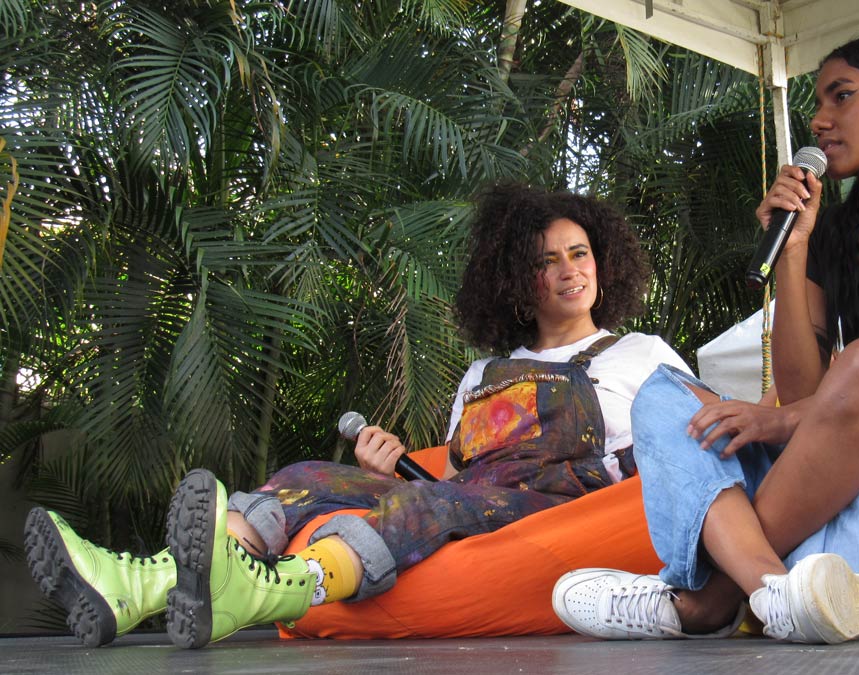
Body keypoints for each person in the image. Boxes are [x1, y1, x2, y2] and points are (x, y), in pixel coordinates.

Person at [24, 182, 690, 649]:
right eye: (547, 261)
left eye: (579, 253)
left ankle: (284, 588)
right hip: (476, 500)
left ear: (602, 260)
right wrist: (385, 471)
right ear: (518, 281)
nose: (570, 270)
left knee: (433, 505)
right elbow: (456, 475)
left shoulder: (642, 353)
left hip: (563, 509)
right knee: (308, 474)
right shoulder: (482, 375)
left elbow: (692, 445)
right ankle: (138, 586)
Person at [552, 34, 859, 644]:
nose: (819, 120)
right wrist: (794, 251)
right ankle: (775, 590)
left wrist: (787, 421)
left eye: (842, 96)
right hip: (850, 419)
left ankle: (710, 601)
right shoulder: (831, 230)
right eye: (818, 102)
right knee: (663, 399)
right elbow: (801, 386)